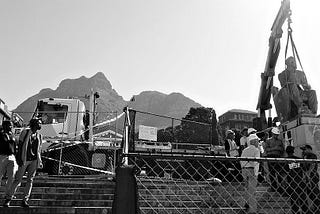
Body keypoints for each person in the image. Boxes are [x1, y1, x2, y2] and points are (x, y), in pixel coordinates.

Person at [3, 118, 43, 208]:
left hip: (34, 160)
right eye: (39, 123)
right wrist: (19, 159)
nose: (40, 125)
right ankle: (8, 199)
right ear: (34, 124)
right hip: (24, 158)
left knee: (30, 180)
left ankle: (25, 200)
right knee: (18, 179)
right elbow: (20, 146)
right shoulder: (25, 132)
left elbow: (39, 150)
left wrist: (39, 161)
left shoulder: (39, 136)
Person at [272, 56, 318, 122]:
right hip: (289, 91)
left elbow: (305, 86)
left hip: (300, 91)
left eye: (294, 62)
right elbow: (284, 85)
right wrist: (291, 74)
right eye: (291, 62)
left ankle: (313, 112)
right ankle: (301, 107)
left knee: (312, 92)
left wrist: (307, 86)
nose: (293, 63)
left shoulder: (300, 73)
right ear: (287, 64)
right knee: (292, 85)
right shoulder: (282, 74)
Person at [284, 146, 309, 214]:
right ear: (293, 151)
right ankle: (305, 211)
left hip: (291, 182)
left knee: (294, 199)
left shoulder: (285, 161)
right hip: (300, 180)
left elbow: (284, 172)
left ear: (286, 152)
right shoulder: (298, 159)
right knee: (303, 198)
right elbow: (304, 168)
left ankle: (295, 211)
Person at [240, 134, 260, 214]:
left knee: (247, 189)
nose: (258, 142)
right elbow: (256, 162)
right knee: (252, 191)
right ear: (254, 141)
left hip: (244, 169)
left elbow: (241, 160)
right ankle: (253, 210)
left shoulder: (245, 150)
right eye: (257, 141)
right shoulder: (256, 150)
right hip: (251, 170)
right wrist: (256, 174)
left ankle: (246, 204)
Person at [0, 121, 18, 197]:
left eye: (11, 125)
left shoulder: (12, 135)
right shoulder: (0, 135)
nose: (11, 127)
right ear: (5, 126)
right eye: (9, 125)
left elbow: (15, 146)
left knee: (12, 176)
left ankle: (8, 194)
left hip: (12, 156)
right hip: (2, 156)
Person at [265, 127, 285, 193]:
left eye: (277, 135)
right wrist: (275, 148)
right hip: (270, 157)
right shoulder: (268, 141)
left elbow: (282, 150)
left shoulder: (280, 141)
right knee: (272, 173)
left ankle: (280, 187)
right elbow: (266, 150)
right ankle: (274, 187)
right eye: (275, 134)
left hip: (278, 157)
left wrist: (277, 149)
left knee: (279, 172)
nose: (276, 136)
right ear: (272, 134)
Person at [301, 144, 320, 212]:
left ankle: (318, 207)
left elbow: (312, 166)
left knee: (314, 192)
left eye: (305, 149)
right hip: (307, 176)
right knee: (310, 192)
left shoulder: (312, 156)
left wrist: (308, 176)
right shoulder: (305, 156)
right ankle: (316, 206)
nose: (304, 151)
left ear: (309, 149)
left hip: (312, 176)